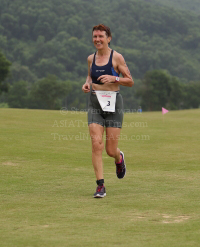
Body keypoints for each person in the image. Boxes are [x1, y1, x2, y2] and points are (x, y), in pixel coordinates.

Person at [82, 24, 134, 198]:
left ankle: (119, 158)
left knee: (110, 150)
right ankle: (100, 186)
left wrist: (114, 77)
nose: (97, 39)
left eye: (101, 36)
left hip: (113, 104)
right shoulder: (91, 58)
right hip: (95, 103)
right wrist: (87, 83)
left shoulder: (116, 57)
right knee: (97, 145)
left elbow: (130, 81)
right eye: (95, 36)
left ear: (108, 38)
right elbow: (90, 75)